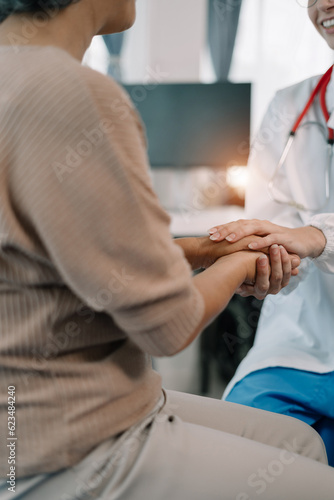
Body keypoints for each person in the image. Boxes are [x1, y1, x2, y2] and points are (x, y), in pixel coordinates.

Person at [0, 1, 333, 499]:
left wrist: (203, 249)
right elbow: (169, 324)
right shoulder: (75, 95)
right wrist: (245, 257)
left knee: (296, 442)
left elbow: (81, 258)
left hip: (28, 417)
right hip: (68, 436)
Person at [208, 0, 334, 470]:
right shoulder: (289, 105)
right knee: (233, 461)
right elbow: (269, 229)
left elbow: (305, 236)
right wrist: (265, 267)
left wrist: (315, 237)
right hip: (295, 346)